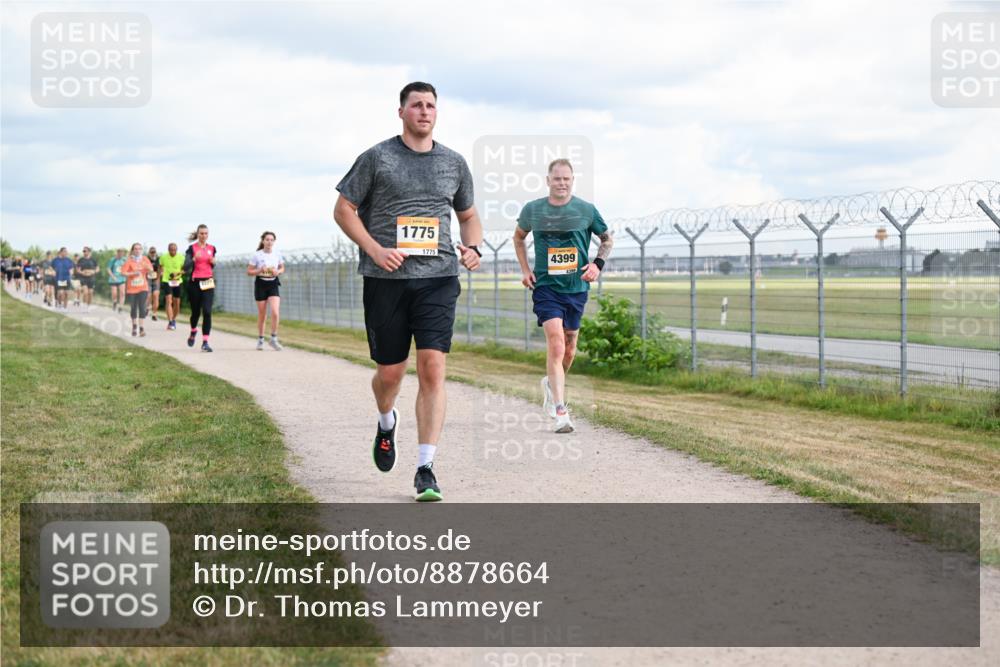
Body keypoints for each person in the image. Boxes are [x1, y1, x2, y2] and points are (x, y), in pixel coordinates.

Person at [334, 81, 482, 502]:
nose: (424, 111)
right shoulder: (377, 158)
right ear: (401, 112)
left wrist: (472, 247)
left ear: (437, 112)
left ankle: (425, 468)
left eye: (430, 105)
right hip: (386, 281)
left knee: (433, 367)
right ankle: (386, 421)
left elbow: (469, 216)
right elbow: (344, 210)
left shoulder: (453, 162)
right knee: (390, 374)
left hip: (438, 277)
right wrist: (376, 250)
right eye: (416, 104)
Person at [512, 158, 613, 434]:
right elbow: (518, 237)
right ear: (548, 181)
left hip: (576, 288)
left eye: (566, 179)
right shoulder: (533, 210)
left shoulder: (586, 210)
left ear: (572, 180)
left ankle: (550, 383)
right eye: (557, 179)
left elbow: (607, 239)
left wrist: (597, 265)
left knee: (569, 348)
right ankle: (561, 411)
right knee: (556, 345)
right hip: (546, 288)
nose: (562, 183)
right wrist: (525, 269)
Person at [246, 231, 285, 351]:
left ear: (274, 242)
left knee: (275, 312)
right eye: (267, 239)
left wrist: (277, 272)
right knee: (262, 315)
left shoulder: (277, 254)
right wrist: (259, 270)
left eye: (271, 240)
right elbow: (249, 272)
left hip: (273, 283)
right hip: (261, 284)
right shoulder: (257, 255)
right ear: (263, 241)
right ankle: (261, 339)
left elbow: (282, 268)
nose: (269, 242)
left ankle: (273, 338)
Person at [183, 224, 217, 352]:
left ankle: (205, 342)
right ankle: (193, 331)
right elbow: (185, 267)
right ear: (198, 234)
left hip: (208, 281)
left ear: (208, 235)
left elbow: (212, 265)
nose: (203, 235)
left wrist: (214, 262)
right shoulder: (191, 248)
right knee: (196, 312)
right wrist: (193, 259)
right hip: (195, 283)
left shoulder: (212, 248)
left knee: (207, 312)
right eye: (201, 233)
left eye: (205, 233)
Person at [121, 242, 154, 337]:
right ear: (132, 250)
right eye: (136, 248)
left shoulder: (145, 259)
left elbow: (151, 271)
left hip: (143, 287)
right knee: (133, 308)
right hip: (131, 289)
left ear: (141, 250)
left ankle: (141, 328)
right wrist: (132, 274)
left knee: (142, 307)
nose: (138, 250)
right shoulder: (129, 261)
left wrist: (148, 267)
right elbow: (123, 273)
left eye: (139, 248)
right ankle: (134, 326)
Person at [160, 242, 184, 330]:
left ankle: (173, 319)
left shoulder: (181, 257)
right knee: (168, 300)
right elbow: (160, 266)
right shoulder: (163, 257)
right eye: (171, 250)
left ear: (176, 250)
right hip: (167, 280)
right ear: (168, 250)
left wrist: (178, 273)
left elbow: (184, 270)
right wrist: (162, 272)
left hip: (178, 281)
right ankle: (170, 321)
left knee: (177, 302)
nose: (173, 252)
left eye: (174, 250)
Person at [76, 247, 99, 311]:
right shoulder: (81, 260)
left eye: (85, 251)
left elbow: (97, 268)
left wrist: (93, 272)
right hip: (83, 278)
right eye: (83, 251)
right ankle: (84, 305)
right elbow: (78, 269)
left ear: (89, 252)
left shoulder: (93, 260)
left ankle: (88, 306)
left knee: (90, 293)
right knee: (85, 292)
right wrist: (82, 272)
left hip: (91, 278)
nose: (84, 252)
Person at [146, 246, 161, 321]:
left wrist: (158, 279)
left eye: (154, 252)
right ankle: (147, 307)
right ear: (149, 252)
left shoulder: (158, 259)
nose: (153, 253)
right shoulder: (146, 259)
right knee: (148, 296)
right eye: (151, 252)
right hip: (148, 280)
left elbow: (160, 270)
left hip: (156, 280)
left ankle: (154, 314)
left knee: (155, 295)